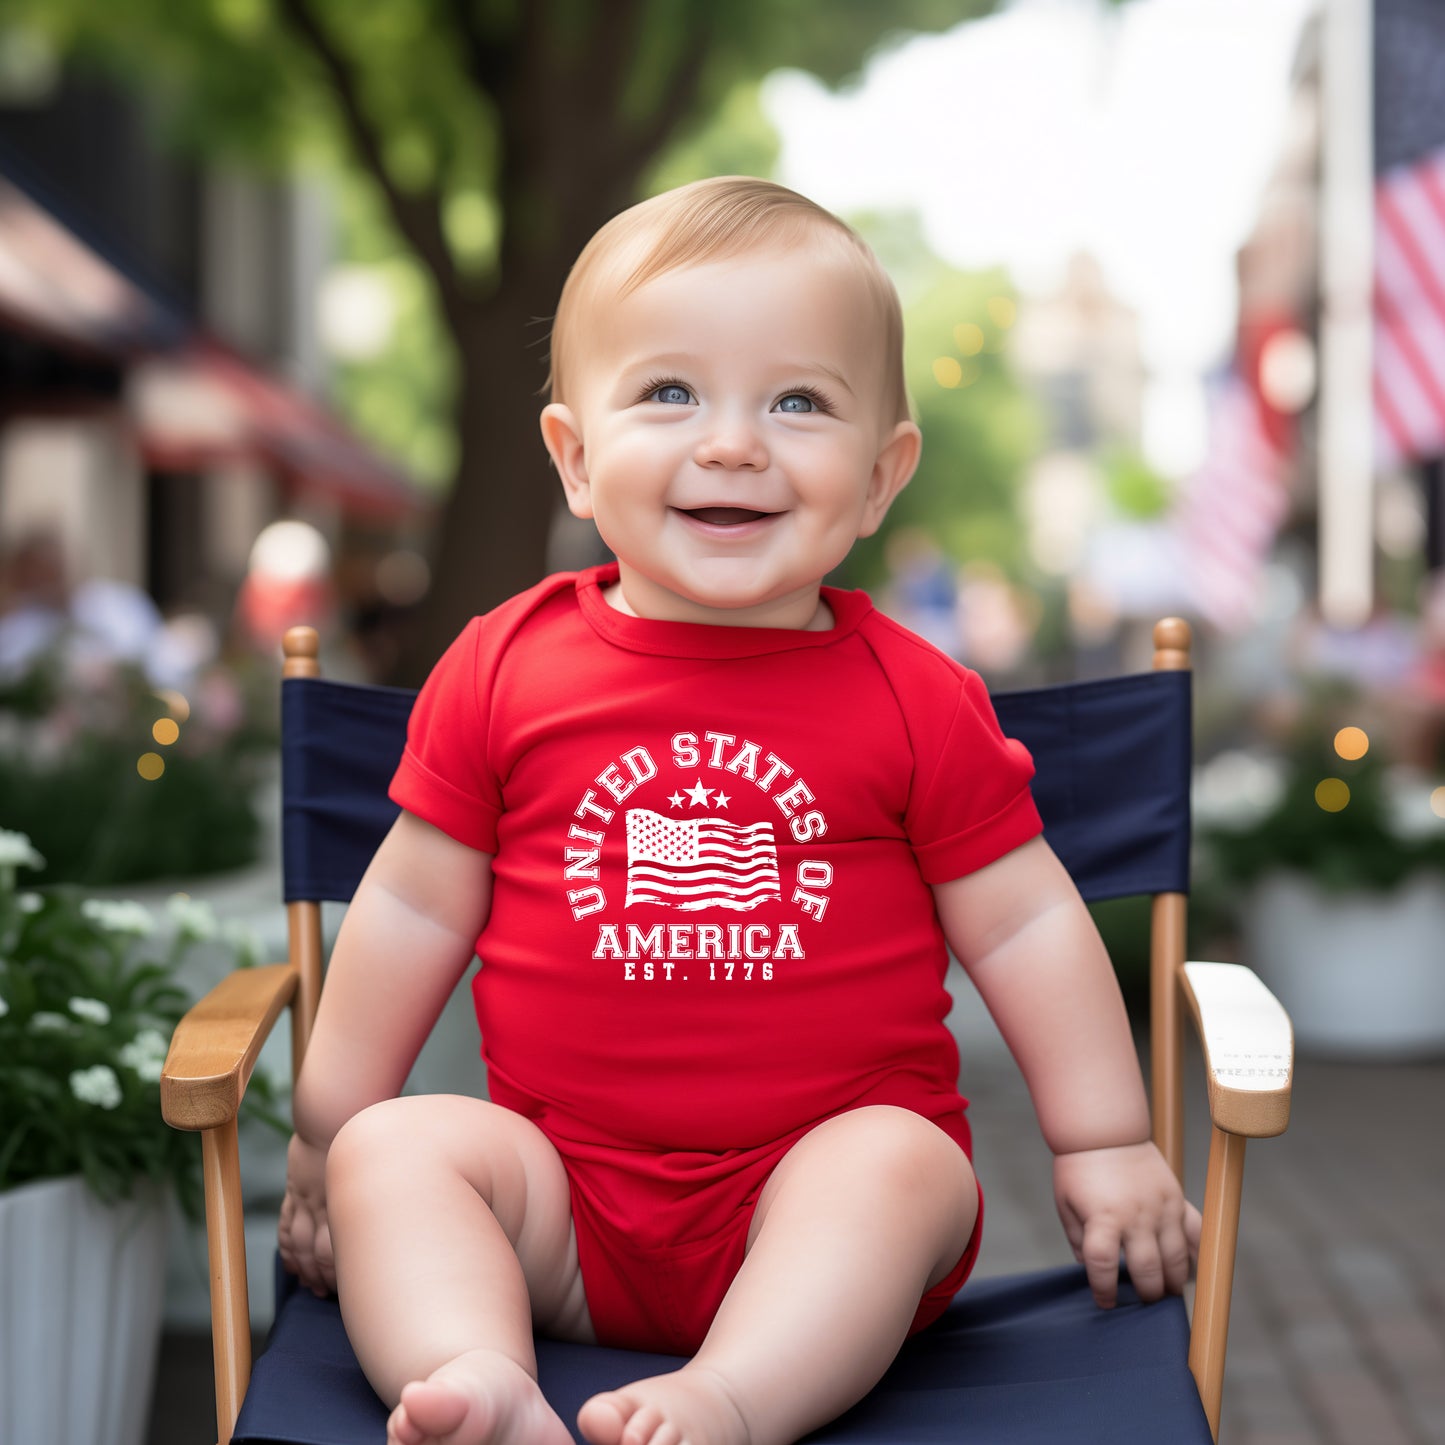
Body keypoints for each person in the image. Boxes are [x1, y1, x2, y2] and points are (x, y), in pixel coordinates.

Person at [278, 177, 1201, 1445]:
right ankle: (480, 1375)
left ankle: (728, 1400)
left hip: (824, 1224)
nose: (730, 442)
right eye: (668, 392)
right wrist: (327, 1130)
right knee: (398, 1152)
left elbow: (1027, 925)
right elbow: (410, 902)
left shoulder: (914, 695)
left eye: (797, 401)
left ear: (880, 477)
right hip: (568, 1213)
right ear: (575, 458)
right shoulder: (502, 666)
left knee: (896, 1159)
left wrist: (1102, 1139)